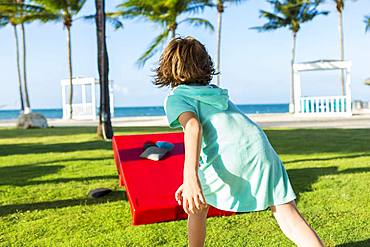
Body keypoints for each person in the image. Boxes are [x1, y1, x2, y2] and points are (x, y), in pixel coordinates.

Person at [154, 36, 324, 247]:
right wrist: (193, 178)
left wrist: (190, 177)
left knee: (197, 207)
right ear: (204, 64)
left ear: (169, 66)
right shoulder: (213, 93)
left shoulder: (176, 97)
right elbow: (223, 132)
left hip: (232, 153)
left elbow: (193, 127)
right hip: (261, 148)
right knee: (287, 215)